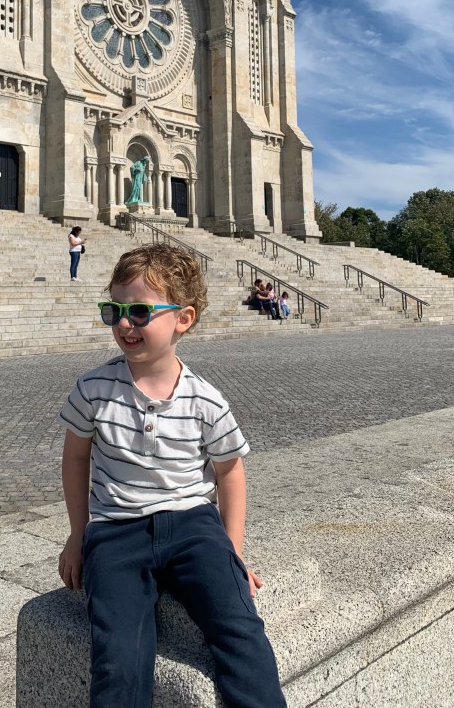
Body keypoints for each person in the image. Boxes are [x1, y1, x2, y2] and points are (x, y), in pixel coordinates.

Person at [58, 244, 287, 708]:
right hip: (116, 530)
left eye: (140, 312)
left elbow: (230, 472)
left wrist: (232, 552)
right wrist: (78, 535)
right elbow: (76, 458)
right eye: (115, 311)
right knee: (118, 654)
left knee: (240, 629)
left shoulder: (206, 399)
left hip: (193, 527)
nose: (125, 324)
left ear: (183, 319)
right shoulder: (93, 388)